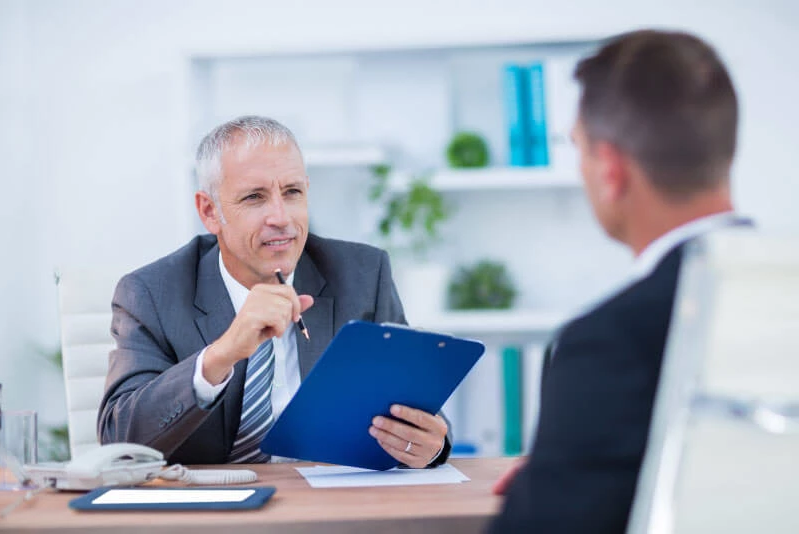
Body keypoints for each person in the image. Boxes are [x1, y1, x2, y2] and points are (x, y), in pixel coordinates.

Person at [489, 30, 747, 532]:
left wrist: (550, 482)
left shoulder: (610, 342)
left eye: (580, 150)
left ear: (609, 169)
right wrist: (569, 464)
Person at [99, 116, 450, 467]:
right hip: (213, 512)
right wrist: (221, 354)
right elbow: (121, 439)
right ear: (210, 211)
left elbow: (415, 404)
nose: (280, 217)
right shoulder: (150, 293)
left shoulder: (362, 274)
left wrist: (430, 445)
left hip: (331, 504)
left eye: (292, 192)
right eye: (255, 197)